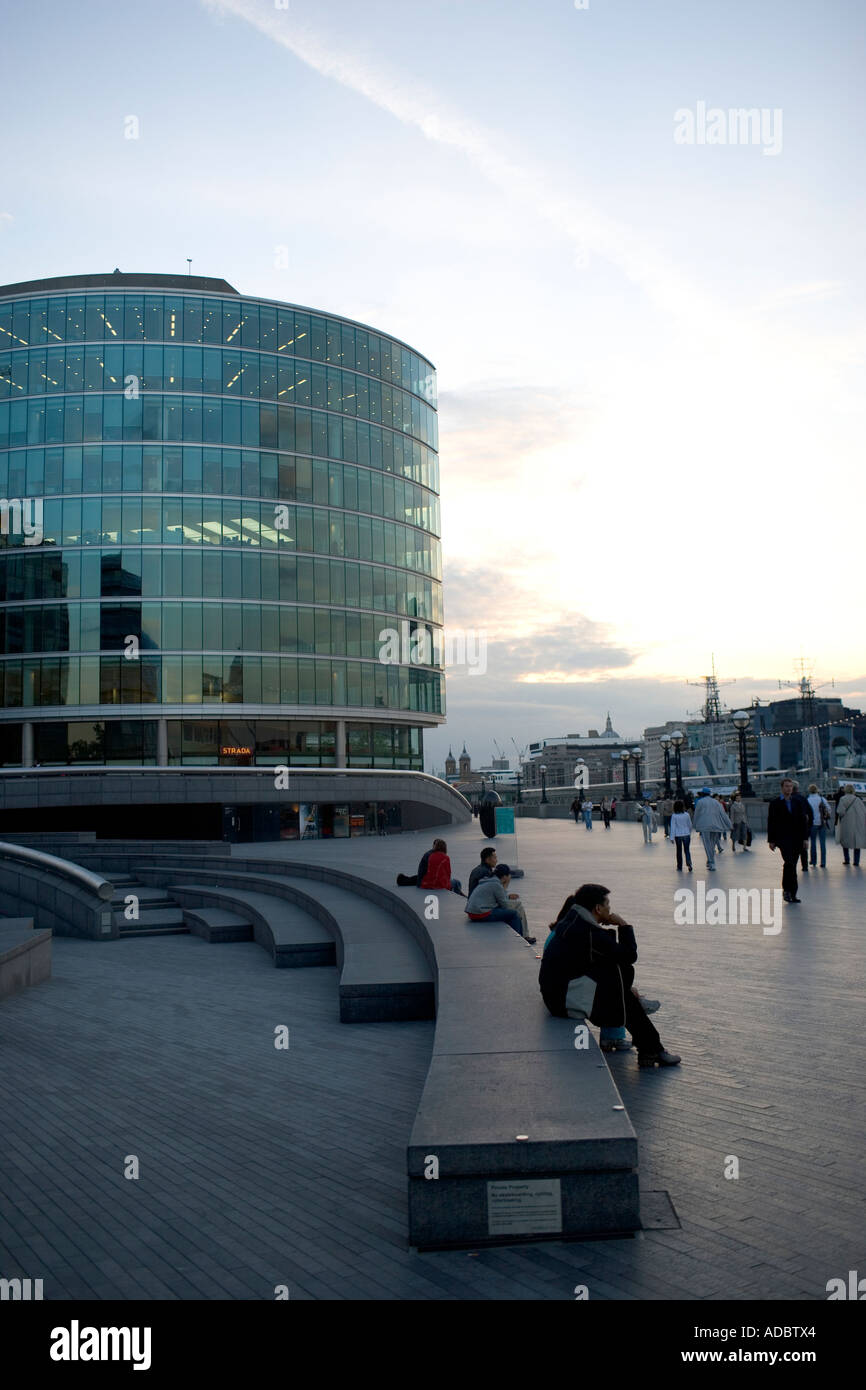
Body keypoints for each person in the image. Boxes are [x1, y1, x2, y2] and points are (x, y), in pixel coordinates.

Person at [538, 884, 680, 1068]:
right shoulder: (589, 933)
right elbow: (629, 955)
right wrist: (624, 925)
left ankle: (650, 1047)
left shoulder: (573, 921)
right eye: (607, 904)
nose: (610, 909)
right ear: (598, 908)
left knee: (617, 980)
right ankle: (651, 1048)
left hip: (555, 995)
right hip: (564, 1001)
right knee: (620, 988)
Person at [767, 778, 812, 903]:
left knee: (791, 865)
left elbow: (803, 821)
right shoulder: (775, 803)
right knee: (790, 863)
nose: (789, 789)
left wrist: (805, 838)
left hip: (797, 839)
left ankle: (790, 892)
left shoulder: (797, 802)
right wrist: (771, 840)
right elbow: (771, 822)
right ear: (782, 788)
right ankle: (789, 891)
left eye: (790, 786)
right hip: (783, 839)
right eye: (786, 786)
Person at [465, 864, 536, 943]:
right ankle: (520, 940)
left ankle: (523, 936)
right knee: (514, 914)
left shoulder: (489, 880)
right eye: (509, 875)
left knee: (517, 905)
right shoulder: (496, 884)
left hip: (474, 912)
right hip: (481, 913)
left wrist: (507, 897)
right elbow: (504, 905)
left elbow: (499, 898)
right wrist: (506, 884)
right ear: (505, 877)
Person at [692, 787, 731, 870]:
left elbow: (696, 814)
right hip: (715, 825)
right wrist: (729, 824)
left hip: (704, 825)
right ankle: (710, 861)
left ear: (702, 793)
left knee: (707, 844)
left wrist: (694, 825)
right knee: (713, 844)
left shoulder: (700, 802)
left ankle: (711, 861)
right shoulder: (716, 802)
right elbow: (723, 814)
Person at [835, 784, 866, 866]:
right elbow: (864, 812)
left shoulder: (843, 799)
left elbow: (840, 811)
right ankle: (856, 861)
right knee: (857, 843)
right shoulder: (857, 799)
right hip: (857, 824)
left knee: (845, 841)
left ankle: (847, 859)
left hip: (846, 823)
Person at [806, 783, 832, 868]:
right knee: (822, 843)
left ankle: (813, 861)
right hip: (822, 822)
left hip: (812, 823)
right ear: (817, 790)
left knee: (813, 842)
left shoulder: (808, 800)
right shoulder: (822, 799)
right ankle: (823, 862)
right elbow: (829, 809)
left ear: (809, 791)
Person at [669, 799, 693, 870]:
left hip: (678, 835)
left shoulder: (674, 816)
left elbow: (673, 827)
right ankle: (689, 864)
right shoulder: (686, 815)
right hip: (686, 834)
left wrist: (672, 837)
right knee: (687, 850)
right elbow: (690, 825)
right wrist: (689, 832)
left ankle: (679, 866)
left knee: (679, 851)